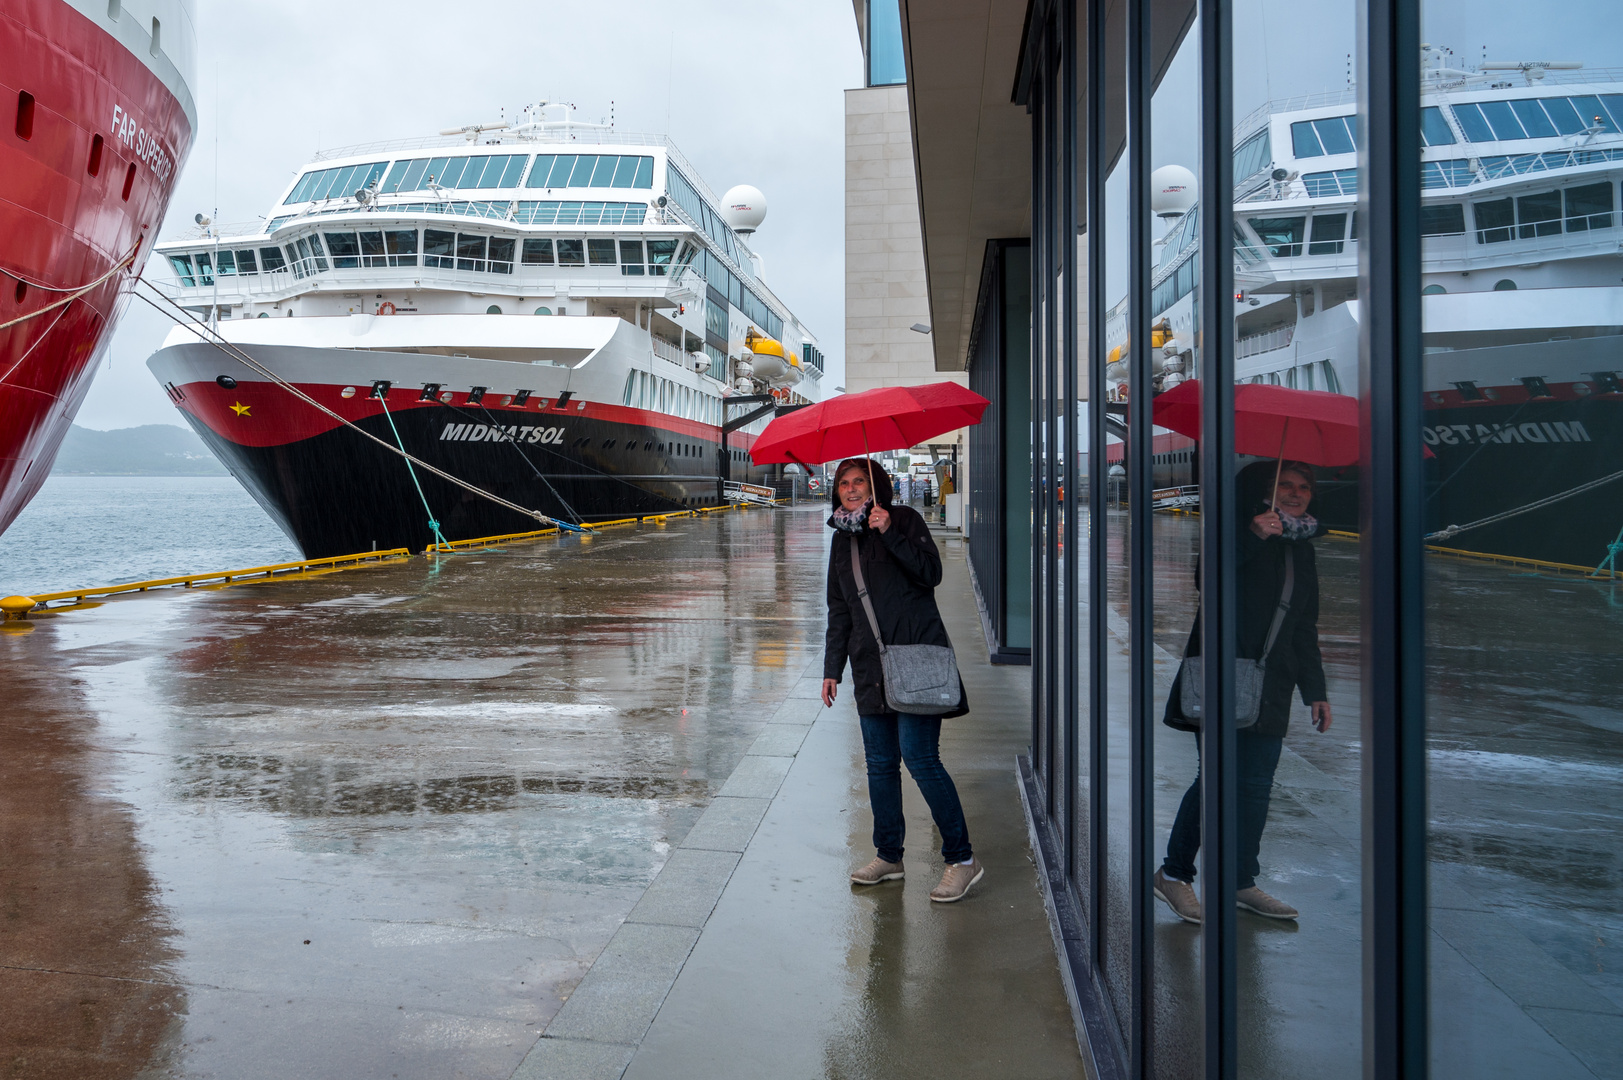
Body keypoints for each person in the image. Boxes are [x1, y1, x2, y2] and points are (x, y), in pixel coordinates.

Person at [1153, 460, 1332, 924]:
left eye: (1303, 487)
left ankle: (1240, 881)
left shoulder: (1301, 547)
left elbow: (1302, 624)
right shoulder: (1234, 532)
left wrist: (1316, 689)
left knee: (1254, 788)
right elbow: (1206, 582)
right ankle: (1174, 874)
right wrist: (1253, 535)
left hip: (1273, 681)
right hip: (1220, 670)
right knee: (1216, 777)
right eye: (1285, 486)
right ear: (1258, 492)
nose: (1295, 494)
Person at [820, 457, 982, 903]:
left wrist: (889, 530)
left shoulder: (905, 520)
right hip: (870, 667)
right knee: (879, 765)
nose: (851, 489)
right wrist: (832, 668)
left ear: (876, 488)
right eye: (844, 484)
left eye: (859, 482)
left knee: (920, 759)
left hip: (915, 660)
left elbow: (931, 574)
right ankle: (889, 855)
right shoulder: (841, 540)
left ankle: (963, 859)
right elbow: (840, 611)